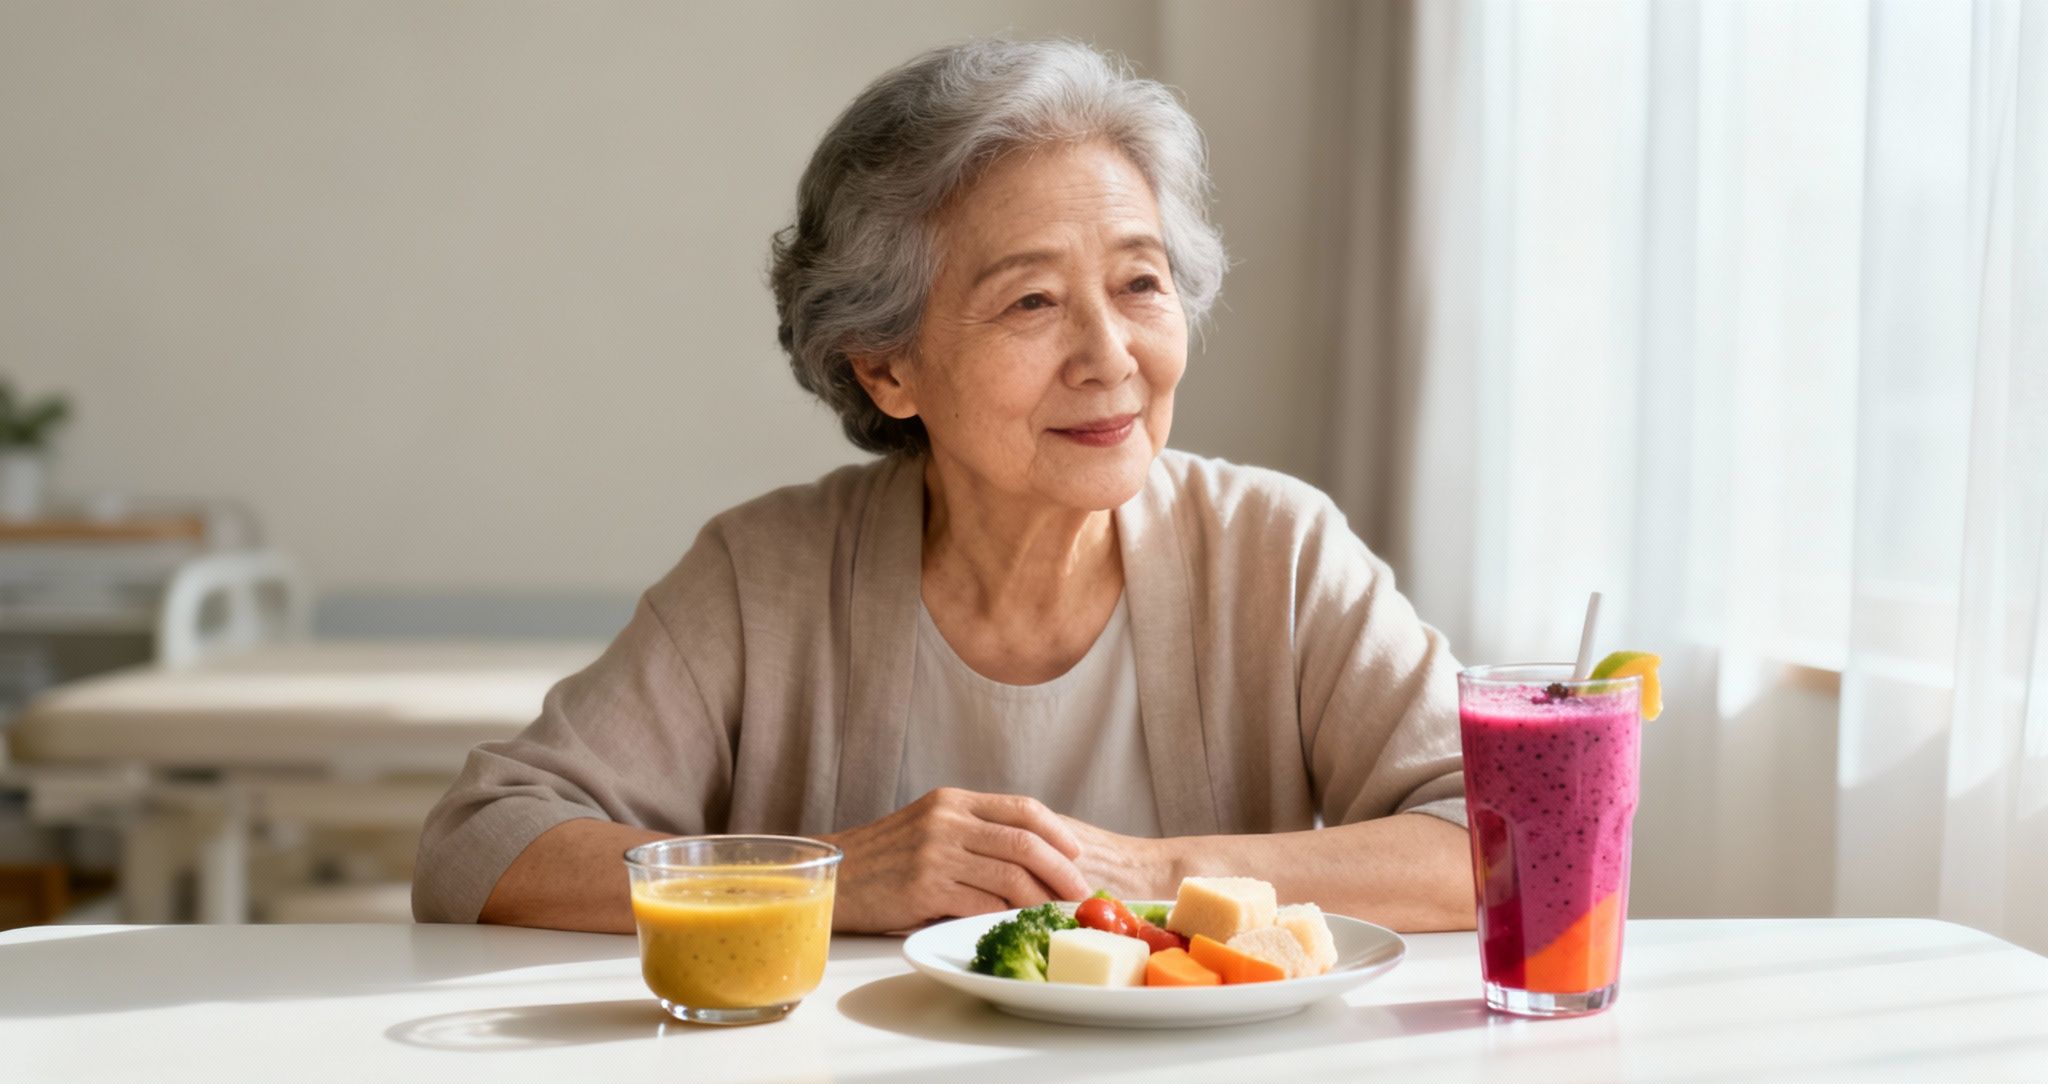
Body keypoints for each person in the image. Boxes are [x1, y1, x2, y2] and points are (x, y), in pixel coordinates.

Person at [413, 38, 1475, 936]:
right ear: (886, 366)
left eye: (1139, 283)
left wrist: (1153, 876)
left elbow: (1496, 838)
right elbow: (480, 847)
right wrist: (832, 874)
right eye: (1030, 303)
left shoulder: (1274, 551)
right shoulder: (765, 576)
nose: (1108, 355)